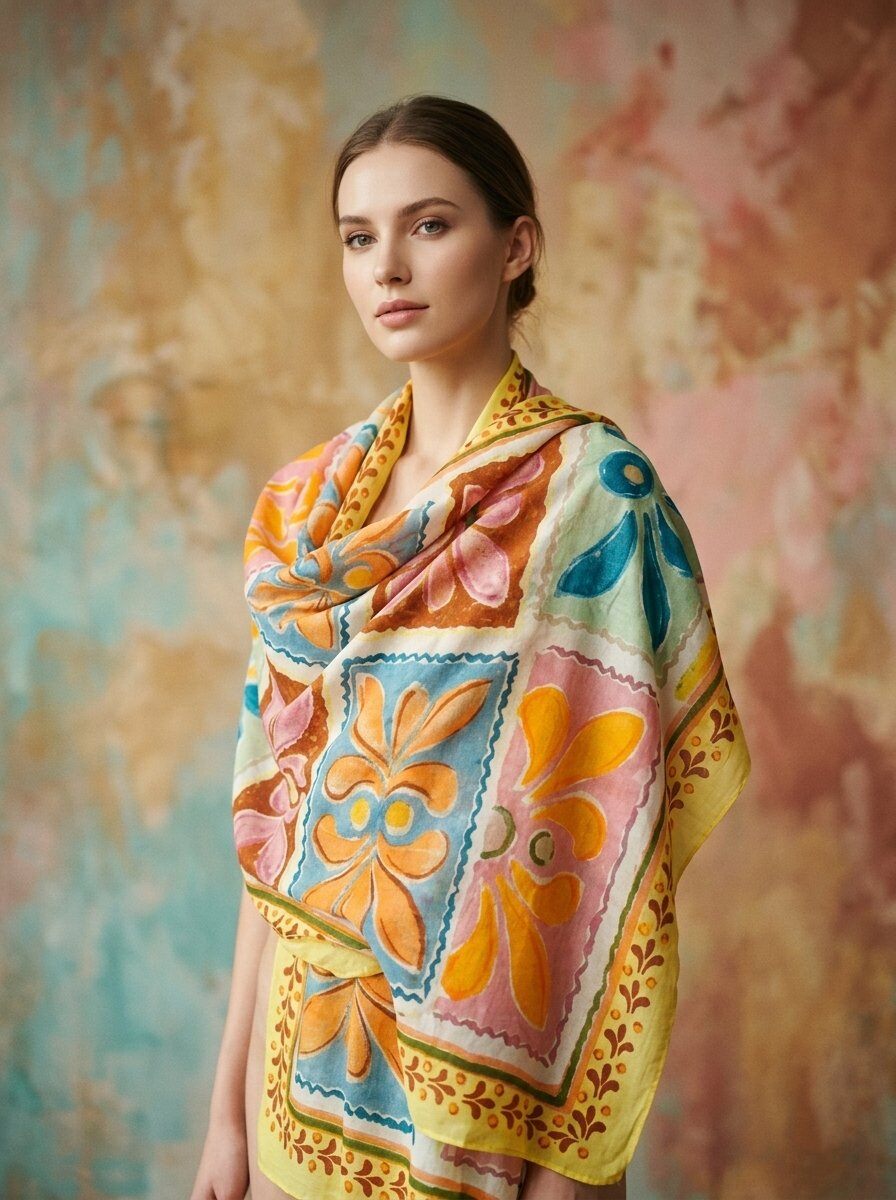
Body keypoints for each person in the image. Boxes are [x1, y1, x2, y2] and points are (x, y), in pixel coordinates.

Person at [190, 94, 750, 1200]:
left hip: (496, 1107)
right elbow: (281, 841)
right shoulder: (309, 516)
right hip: (299, 1078)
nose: (386, 266)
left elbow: (611, 868)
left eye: (429, 225)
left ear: (515, 246)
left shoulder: (594, 500)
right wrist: (223, 1123)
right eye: (358, 237)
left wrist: (576, 1174)